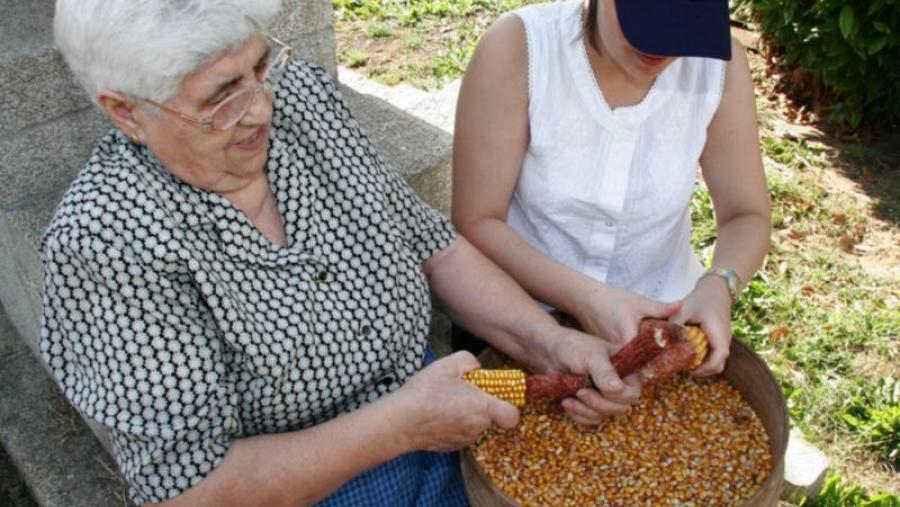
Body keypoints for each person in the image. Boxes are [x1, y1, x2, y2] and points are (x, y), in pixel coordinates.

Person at [42, 1, 640, 505]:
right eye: (221, 96)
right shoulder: (105, 243)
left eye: (258, 64)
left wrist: (549, 342)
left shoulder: (298, 96)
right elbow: (186, 489)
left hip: (445, 426)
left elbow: (435, 248)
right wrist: (402, 426)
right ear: (126, 111)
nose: (260, 107)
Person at [452, 0, 771, 375]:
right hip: (519, 321)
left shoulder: (719, 67)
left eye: (684, 25)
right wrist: (588, 300)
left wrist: (720, 284)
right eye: (645, 22)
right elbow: (477, 220)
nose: (662, 49)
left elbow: (745, 214)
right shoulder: (520, 48)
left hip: (657, 331)